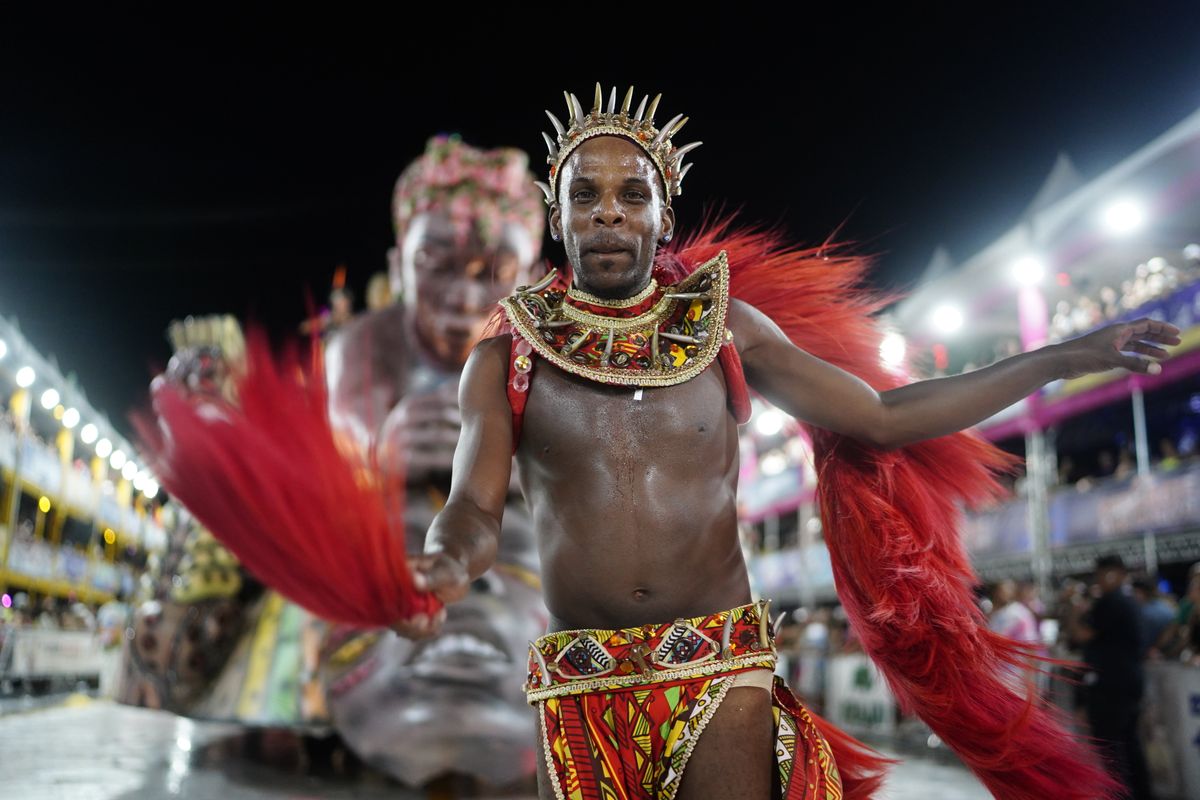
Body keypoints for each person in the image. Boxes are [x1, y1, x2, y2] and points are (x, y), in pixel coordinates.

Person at [392, 85, 1180, 800]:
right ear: (555, 216)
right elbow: (472, 509)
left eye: (633, 194)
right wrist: (446, 565)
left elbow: (884, 414)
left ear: (663, 217)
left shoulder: (724, 328)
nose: (608, 212)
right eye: (585, 195)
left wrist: (1062, 357)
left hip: (719, 662)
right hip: (575, 676)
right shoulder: (506, 357)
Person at [319, 134, 550, 788]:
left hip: (511, 559)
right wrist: (380, 454)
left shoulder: (548, 358)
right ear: (398, 268)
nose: (462, 298)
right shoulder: (365, 348)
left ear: (531, 276)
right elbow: (331, 472)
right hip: (399, 549)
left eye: (494, 271)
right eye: (436, 262)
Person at [1068, 556, 1151, 799]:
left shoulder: (1111, 601)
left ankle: (1120, 795)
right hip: (1128, 683)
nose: (1098, 581)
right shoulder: (1129, 601)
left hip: (1110, 686)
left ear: (1112, 574)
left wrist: (1074, 611)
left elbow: (1083, 635)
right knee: (1129, 745)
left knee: (1111, 747)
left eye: (1100, 575)